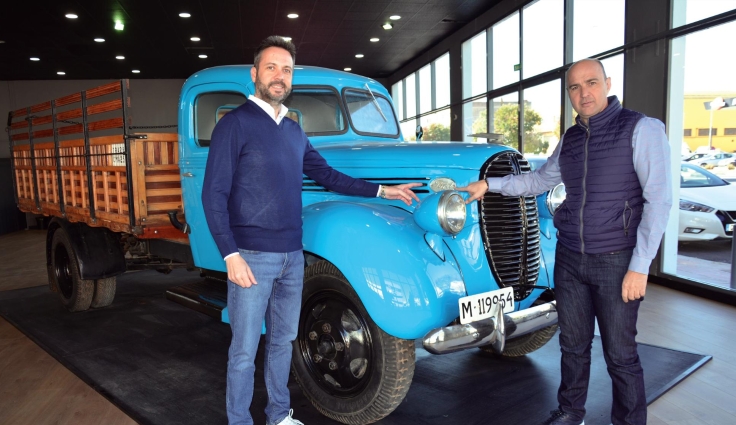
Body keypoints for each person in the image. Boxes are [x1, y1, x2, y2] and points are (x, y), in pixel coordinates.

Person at [201, 36, 420, 425]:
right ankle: (238, 421)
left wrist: (384, 190)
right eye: (271, 67)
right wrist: (229, 254)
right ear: (254, 74)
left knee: (284, 341)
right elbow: (213, 194)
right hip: (251, 257)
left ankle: (278, 415)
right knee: (244, 351)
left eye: (286, 70)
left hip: (292, 257)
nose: (279, 76)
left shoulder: (293, 130)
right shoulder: (234, 125)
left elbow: (329, 176)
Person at [458, 58, 672, 425]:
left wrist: (640, 266)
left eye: (591, 83)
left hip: (617, 260)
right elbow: (537, 182)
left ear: (607, 82)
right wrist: (489, 185)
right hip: (571, 258)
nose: (583, 93)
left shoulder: (641, 128)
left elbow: (659, 200)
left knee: (620, 354)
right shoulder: (572, 138)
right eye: (574, 87)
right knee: (572, 346)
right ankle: (571, 412)